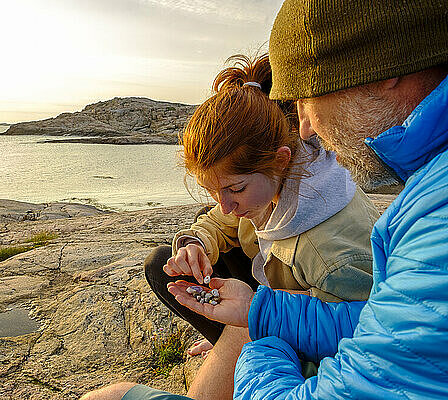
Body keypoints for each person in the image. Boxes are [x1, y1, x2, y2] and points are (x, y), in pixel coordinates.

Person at [82, 0, 448, 399]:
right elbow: (378, 327)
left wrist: (255, 342)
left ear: (380, 69)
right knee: (164, 265)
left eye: (306, 101)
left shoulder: (356, 247)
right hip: (281, 310)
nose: (305, 128)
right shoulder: (424, 190)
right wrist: (210, 259)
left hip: (288, 347)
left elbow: (355, 362)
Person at [143, 54, 378, 374]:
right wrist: (196, 243)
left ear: (281, 160)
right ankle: (232, 336)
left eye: (235, 189)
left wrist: (250, 348)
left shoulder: (333, 256)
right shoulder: (284, 171)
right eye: (213, 190)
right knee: (164, 264)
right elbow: (220, 218)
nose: (224, 204)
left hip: (305, 330)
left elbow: (352, 348)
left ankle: (235, 343)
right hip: (271, 295)